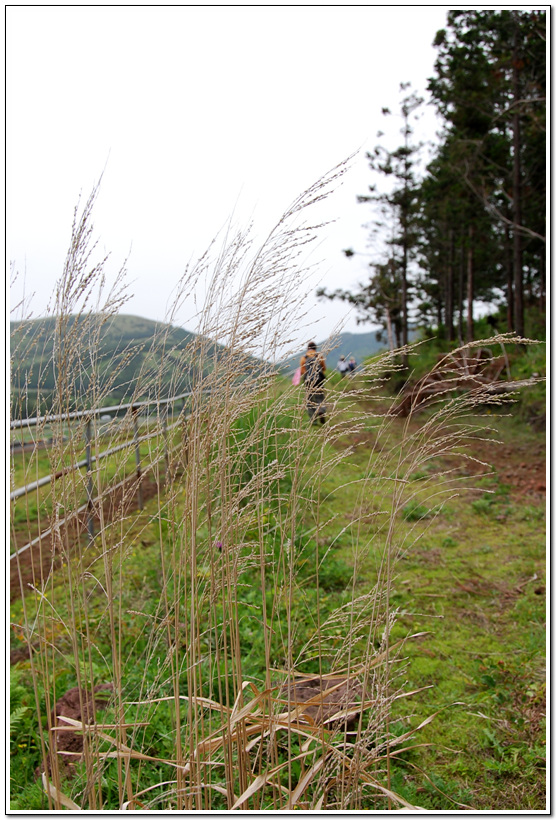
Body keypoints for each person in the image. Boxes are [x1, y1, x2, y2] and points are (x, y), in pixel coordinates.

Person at [300, 341, 326, 424]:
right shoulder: (319, 355)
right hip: (318, 380)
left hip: (308, 380)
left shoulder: (304, 358)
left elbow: (302, 371)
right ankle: (321, 411)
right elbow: (324, 368)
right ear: (315, 348)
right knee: (320, 398)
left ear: (308, 348)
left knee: (310, 399)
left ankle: (313, 419)